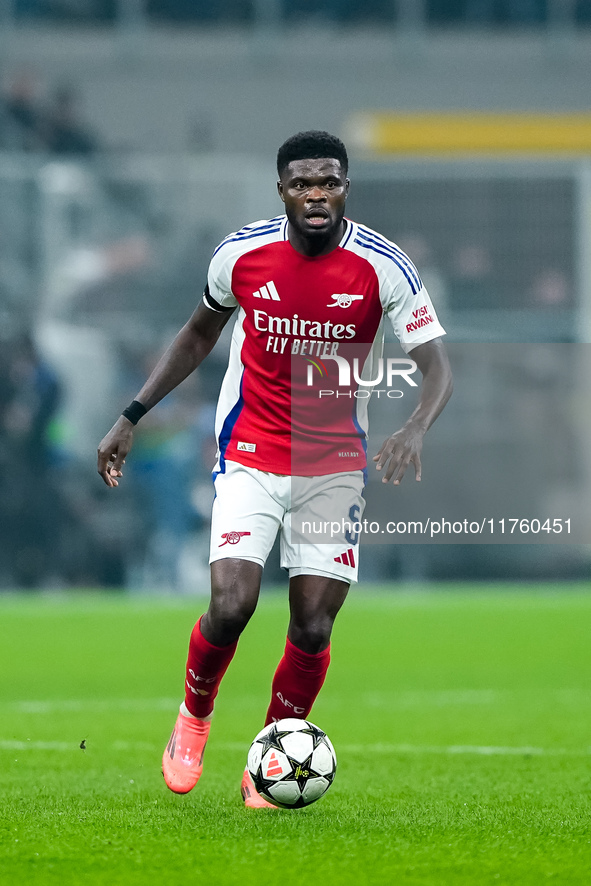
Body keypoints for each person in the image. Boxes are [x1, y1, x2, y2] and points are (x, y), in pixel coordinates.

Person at [97, 130, 453, 808]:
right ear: (282, 189)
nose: (316, 193)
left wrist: (412, 427)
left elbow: (437, 364)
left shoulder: (383, 267)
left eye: (329, 181)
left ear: (345, 187)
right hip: (251, 453)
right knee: (230, 607)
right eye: (302, 182)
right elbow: (199, 332)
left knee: (313, 623)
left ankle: (268, 758)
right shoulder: (240, 253)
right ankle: (193, 719)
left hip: (333, 465)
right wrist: (131, 415)